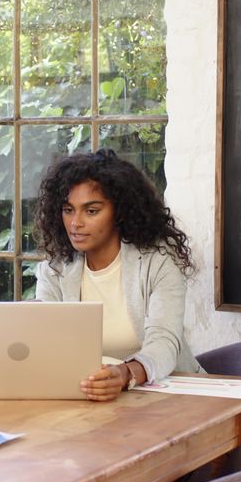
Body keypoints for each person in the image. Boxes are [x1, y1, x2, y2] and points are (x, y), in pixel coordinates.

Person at [32, 149, 201, 402]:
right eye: (68, 210)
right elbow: (46, 340)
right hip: (86, 396)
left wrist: (125, 374)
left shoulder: (158, 262)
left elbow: (165, 342)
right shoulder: (55, 269)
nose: (75, 223)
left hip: (171, 396)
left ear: (119, 212)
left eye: (91, 211)